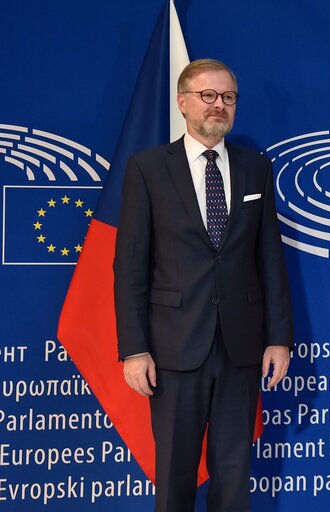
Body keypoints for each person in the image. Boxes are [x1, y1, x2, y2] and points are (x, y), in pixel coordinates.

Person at [114, 58, 293, 512]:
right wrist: (134, 349)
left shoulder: (256, 168)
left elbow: (269, 259)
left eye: (228, 97)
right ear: (183, 102)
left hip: (240, 347)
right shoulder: (148, 168)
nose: (219, 105)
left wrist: (279, 339)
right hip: (174, 348)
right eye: (208, 96)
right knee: (174, 474)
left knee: (234, 474)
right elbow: (131, 265)